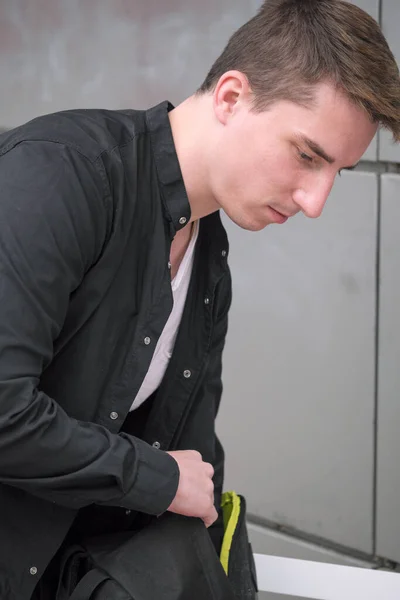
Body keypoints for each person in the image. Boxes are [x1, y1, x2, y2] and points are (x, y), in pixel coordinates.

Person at [0, 0, 399, 598]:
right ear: (232, 97)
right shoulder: (64, 174)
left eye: (336, 172)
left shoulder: (207, 258)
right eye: (308, 155)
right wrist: (155, 477)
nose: (316, 201)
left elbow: (192, 471)